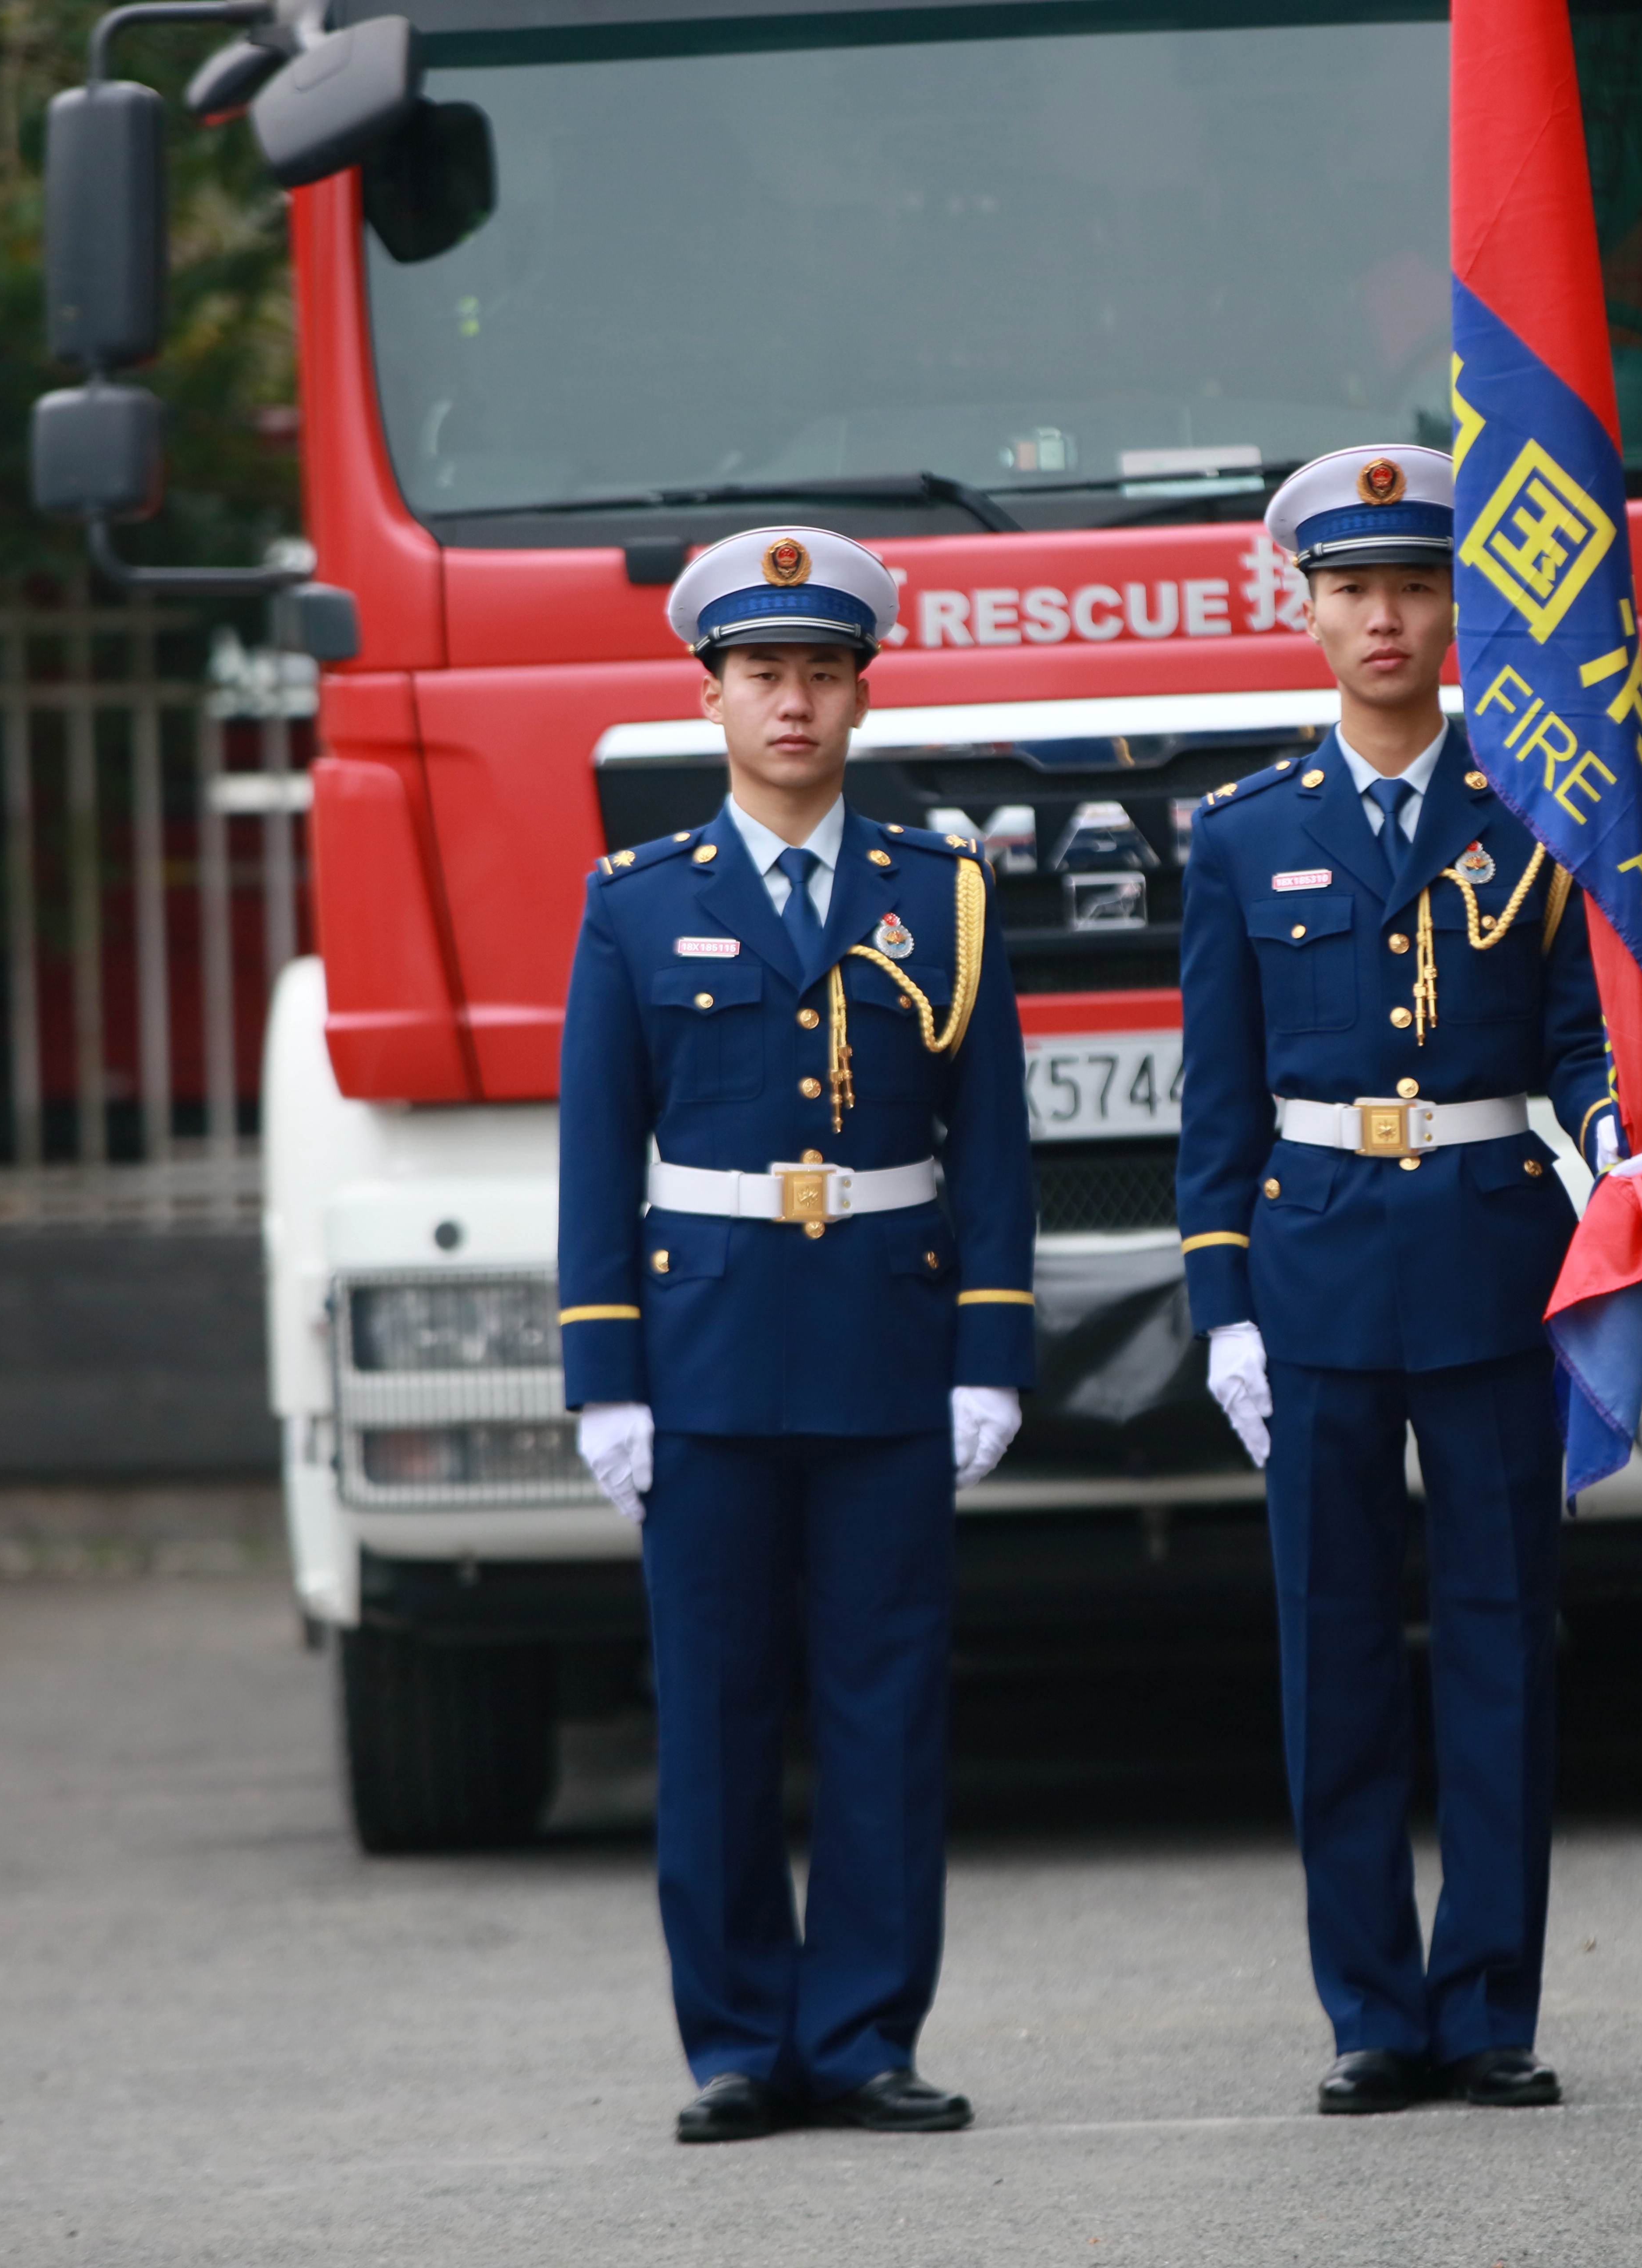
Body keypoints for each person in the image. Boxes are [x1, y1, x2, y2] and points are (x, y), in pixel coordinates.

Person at [1175, 444, 1642, 2115]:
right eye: (1353, 588)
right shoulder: (1244, 837)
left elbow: (1581, 1035)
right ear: (1303, 612)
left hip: (1489, 1256)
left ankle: (1492, 2005)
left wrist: (1624, 1137)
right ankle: (1371, 2010)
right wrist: (1223, 1305)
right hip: (1313, 1267)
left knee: (1500, 1640)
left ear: (1461, 607)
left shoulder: (1533, 808)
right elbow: (1220, 1102)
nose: (1386, 618)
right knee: (1332, 1650)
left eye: (1416, 585)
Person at [556, 526, 1034, 2143]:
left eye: (822, 675)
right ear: (711, 698)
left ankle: (868, 2032)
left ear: (861, 699)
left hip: (886, 1349)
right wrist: (603, 1378)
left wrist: (993, 1351)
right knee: (713, 1708)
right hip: (701, 1358)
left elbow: (996, 1147)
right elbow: (593, 1156)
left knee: (888, 1700)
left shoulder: (942, 896)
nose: (793, 705)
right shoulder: (634, 906)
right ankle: (738, 2043)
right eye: (762, 676)